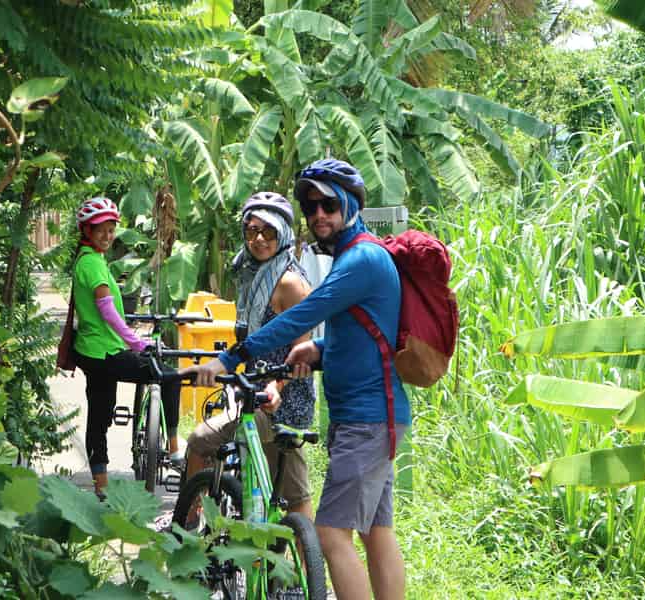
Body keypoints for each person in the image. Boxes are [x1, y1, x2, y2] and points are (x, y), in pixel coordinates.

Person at [186, 159, 410, 600]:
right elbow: (365, 336)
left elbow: (304, 315)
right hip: (371, 416)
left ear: (350, 204)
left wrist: (232, 359)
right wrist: (321, 352)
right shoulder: (355, 257)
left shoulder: (361, 258)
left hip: (368, 418)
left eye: (329, 204)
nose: (319, 214)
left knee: (330, 534)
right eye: (311, 207)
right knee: (375, 532)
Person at [184, 192, 316, 518]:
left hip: (283, 401)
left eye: (268, 231)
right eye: (251, 231)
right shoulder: (250, 274)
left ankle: (187, 521)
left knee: (201, 442)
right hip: (252, 392)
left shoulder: (289, 283)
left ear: (283, 233)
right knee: (286, 493)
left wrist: (275, 386)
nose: (259, 239)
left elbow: (303, 351)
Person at [70, 197, 183, 498]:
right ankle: (174, 449)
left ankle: (101, 488)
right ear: (87, 231)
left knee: (100, 416)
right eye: (100, 230)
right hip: (105, 351)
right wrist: (136, 342)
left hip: (92, 351)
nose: (107, 236)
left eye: (111, 230)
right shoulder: (92, 263)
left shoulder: (88, 259)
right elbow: (106, 310)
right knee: (170, 377)